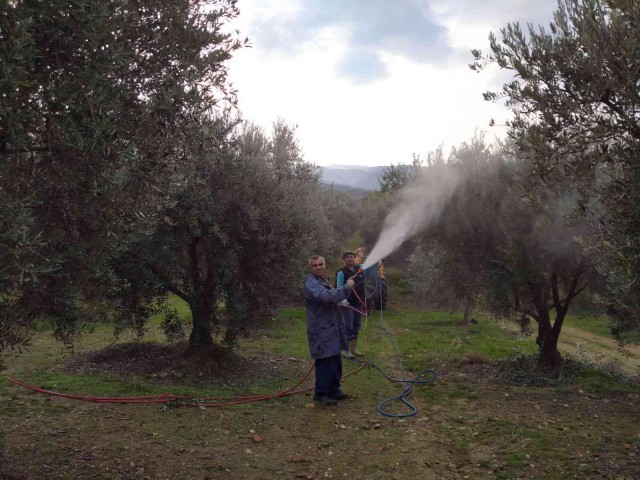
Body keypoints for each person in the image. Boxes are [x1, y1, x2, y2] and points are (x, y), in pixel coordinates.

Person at [303, 255, 355, 406]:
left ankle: (334, 390)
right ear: (310, 268)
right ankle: (321, 394)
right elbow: (325, 296)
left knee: (335, 360)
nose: (318, 267)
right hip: (320, 330)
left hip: (331, 328)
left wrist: (342, 295)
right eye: (315, 266)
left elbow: (332, 297)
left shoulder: (322, 280)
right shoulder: (311, 283)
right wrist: (345, 288)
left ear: (325, 265)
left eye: (321, 264)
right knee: (325, 361)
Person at [335, 251, 365, 358]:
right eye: (347, 257)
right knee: (348, 326)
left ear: (354, 258)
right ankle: (345, 350)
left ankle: (353, 349)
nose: (350, 259)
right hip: (347, 304)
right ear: (344, 260)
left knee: (357, 326)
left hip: (359, 302)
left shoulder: (360, 269)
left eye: (351, 257)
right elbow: (339, 287)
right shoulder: (341, 273)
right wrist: (341, 299)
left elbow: (371, 268)